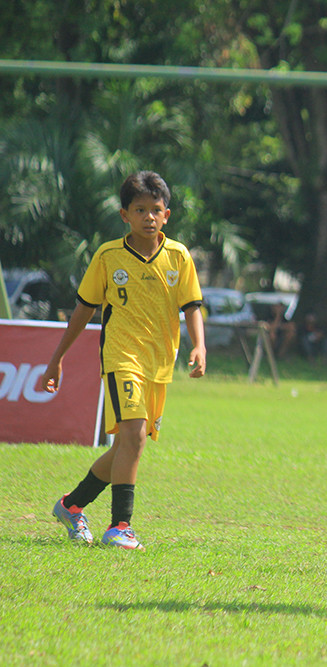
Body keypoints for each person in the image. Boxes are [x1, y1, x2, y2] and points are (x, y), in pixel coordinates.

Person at [42, 171, 206, 550]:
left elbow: (192, 305)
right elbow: (84, 309)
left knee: (127, 447)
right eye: (140, 210)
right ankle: (120, 526)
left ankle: (71, 505)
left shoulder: (179, 257)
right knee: (132, 434)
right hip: (121, 357)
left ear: (167, 214)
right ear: (124, 215)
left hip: (159, 363)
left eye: (156, 210)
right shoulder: (108, 256)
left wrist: (199, 345)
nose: (149, 216)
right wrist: (57, 359)